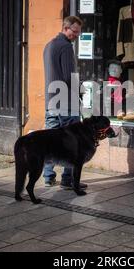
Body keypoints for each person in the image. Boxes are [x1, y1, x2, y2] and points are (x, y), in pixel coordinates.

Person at [43, 16, 87, 190]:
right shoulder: (66, 47)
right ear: (66, 28)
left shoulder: (48, 45)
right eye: (74, 31)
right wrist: (81, 89)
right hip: (66, 102)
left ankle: (48, 177)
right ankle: (67, 180)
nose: (76, 35)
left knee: (50, 141)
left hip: (51, 101)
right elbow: (69, 77)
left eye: (78, 32)